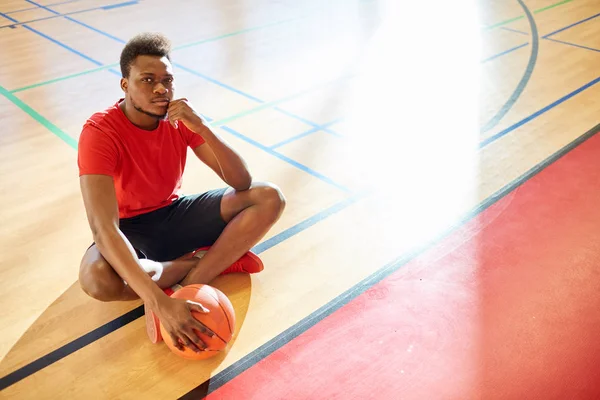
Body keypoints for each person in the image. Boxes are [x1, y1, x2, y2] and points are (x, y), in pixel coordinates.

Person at [77, 32, 286, 353]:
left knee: (268, 196)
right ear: (124, 85)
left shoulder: (179, 120)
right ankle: (211, 262)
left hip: (175, 215)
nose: (160, 89)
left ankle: (189, 280)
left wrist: (202, 127)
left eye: (167, 80)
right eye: (148, 80)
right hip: (129, 230)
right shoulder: (100, 132)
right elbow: (104, 229)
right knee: (98, 279)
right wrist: (158, 302)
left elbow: (242, 182)